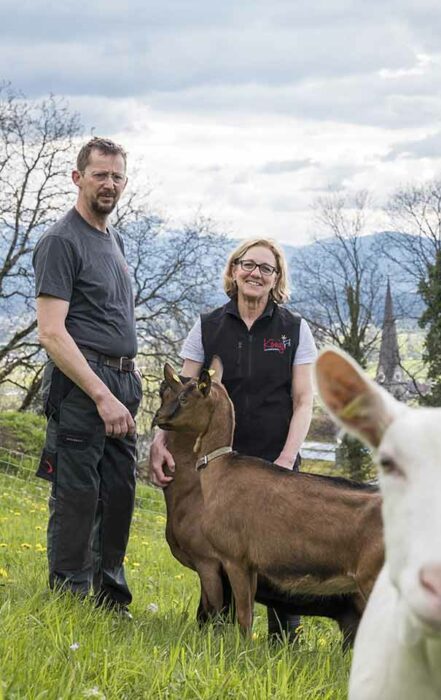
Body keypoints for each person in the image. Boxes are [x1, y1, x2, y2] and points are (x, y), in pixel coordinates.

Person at [150, 237, 317, 641]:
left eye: (266, 268)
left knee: (278, 557)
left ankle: (284, 640)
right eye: (248, 265)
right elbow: (181, 396)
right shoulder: (207, 326)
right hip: (219, 465)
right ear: (234, 270)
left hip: (274, 461)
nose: (255, 273)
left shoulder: (294, 329)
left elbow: (303, 401)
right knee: (219, 551)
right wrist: (158, 442)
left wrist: (286, 461)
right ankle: (216, 636)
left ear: (276, 279)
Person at [32, 137, 141, 617]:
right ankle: (69, 598)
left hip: (122, 382)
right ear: (78, 178)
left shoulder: (111, 238)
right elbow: (52, 334)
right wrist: (100, 395)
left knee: (119, 492)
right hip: (83, 386)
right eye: (100, 174)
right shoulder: (61, 240)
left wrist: (121, 391)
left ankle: (108, 596)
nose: (109, 184)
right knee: (77, 495)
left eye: (117, 176)